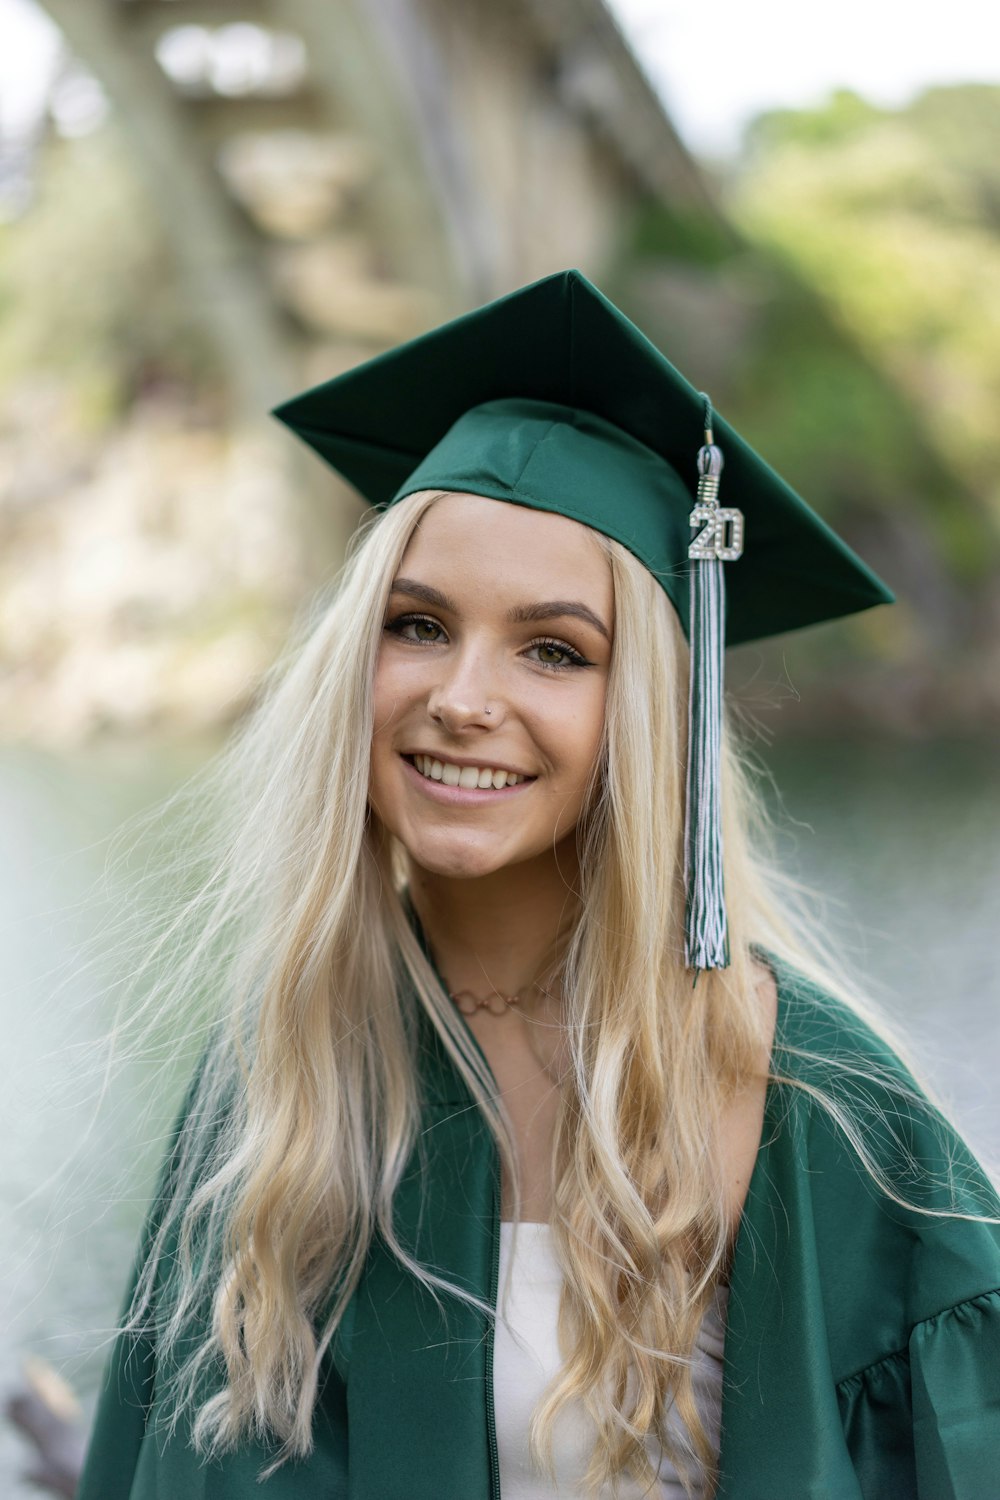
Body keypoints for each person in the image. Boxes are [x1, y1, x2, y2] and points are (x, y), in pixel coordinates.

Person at [77, 270, 1000, 1500]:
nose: (463, 695)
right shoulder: (280, 1072)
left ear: (647, 718)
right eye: (415, 624)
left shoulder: (812, 1104)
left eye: (555, 650)